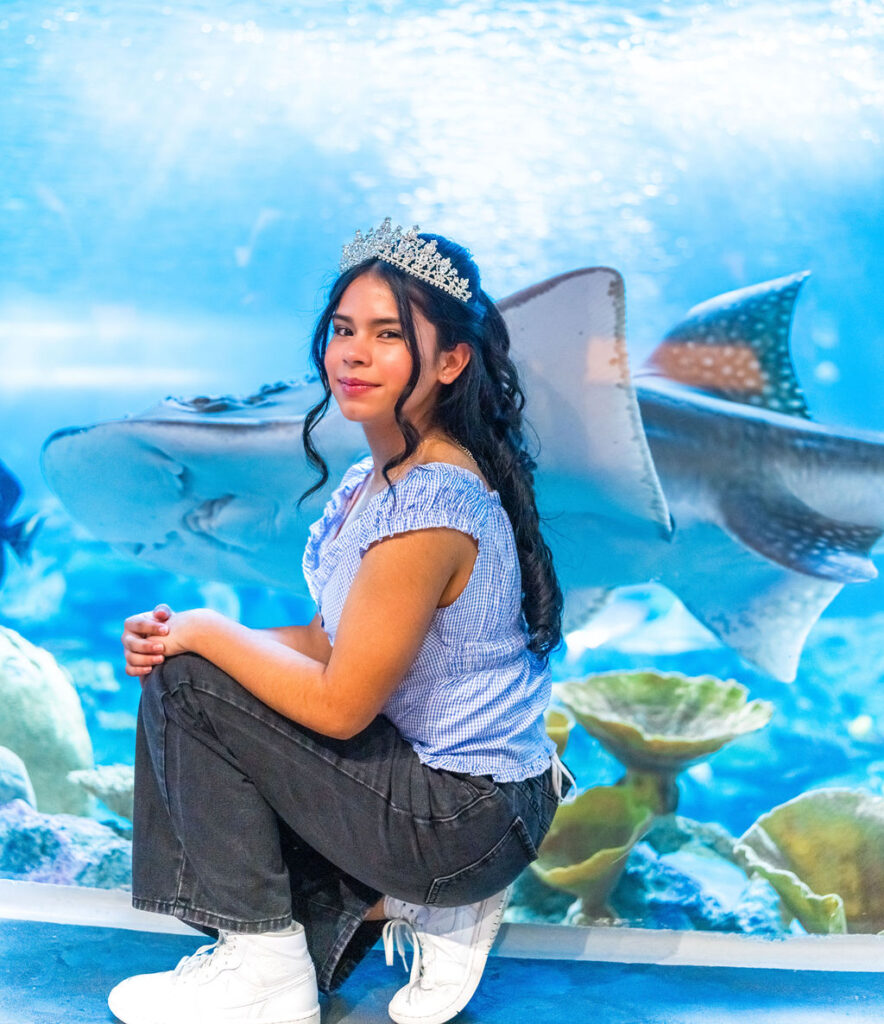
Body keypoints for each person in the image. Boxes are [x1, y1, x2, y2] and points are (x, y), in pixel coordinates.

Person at [109, 219, 574, 1024]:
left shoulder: (430, 506)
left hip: (464, 818)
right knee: (189, 664)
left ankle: (267, 973)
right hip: (458, 797)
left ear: (453, 360)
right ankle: (369, 916)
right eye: (343, 330)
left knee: (192, 681)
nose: (353, 353)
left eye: (389, 335)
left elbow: (339, 705)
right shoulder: (376, 478)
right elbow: (335, 647)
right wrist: (180, 632)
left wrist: (208, 634)